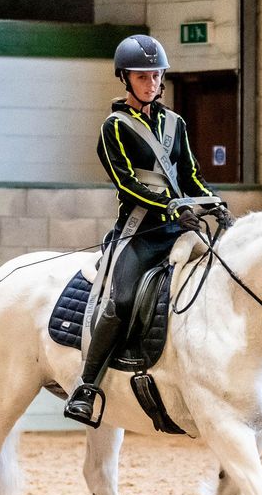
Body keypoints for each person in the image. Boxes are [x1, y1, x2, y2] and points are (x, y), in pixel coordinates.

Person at [63, 33, 230, 425]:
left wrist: (213, 202)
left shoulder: (176, 123)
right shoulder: (115, 127)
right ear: (126, 79)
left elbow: (190, 176)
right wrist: (172, 208)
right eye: (143, 77)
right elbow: (128, 185)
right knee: (120, 302)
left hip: (180, 229)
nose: (152, 83)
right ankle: (86, 386)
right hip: (139, 233)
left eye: (156, 76)